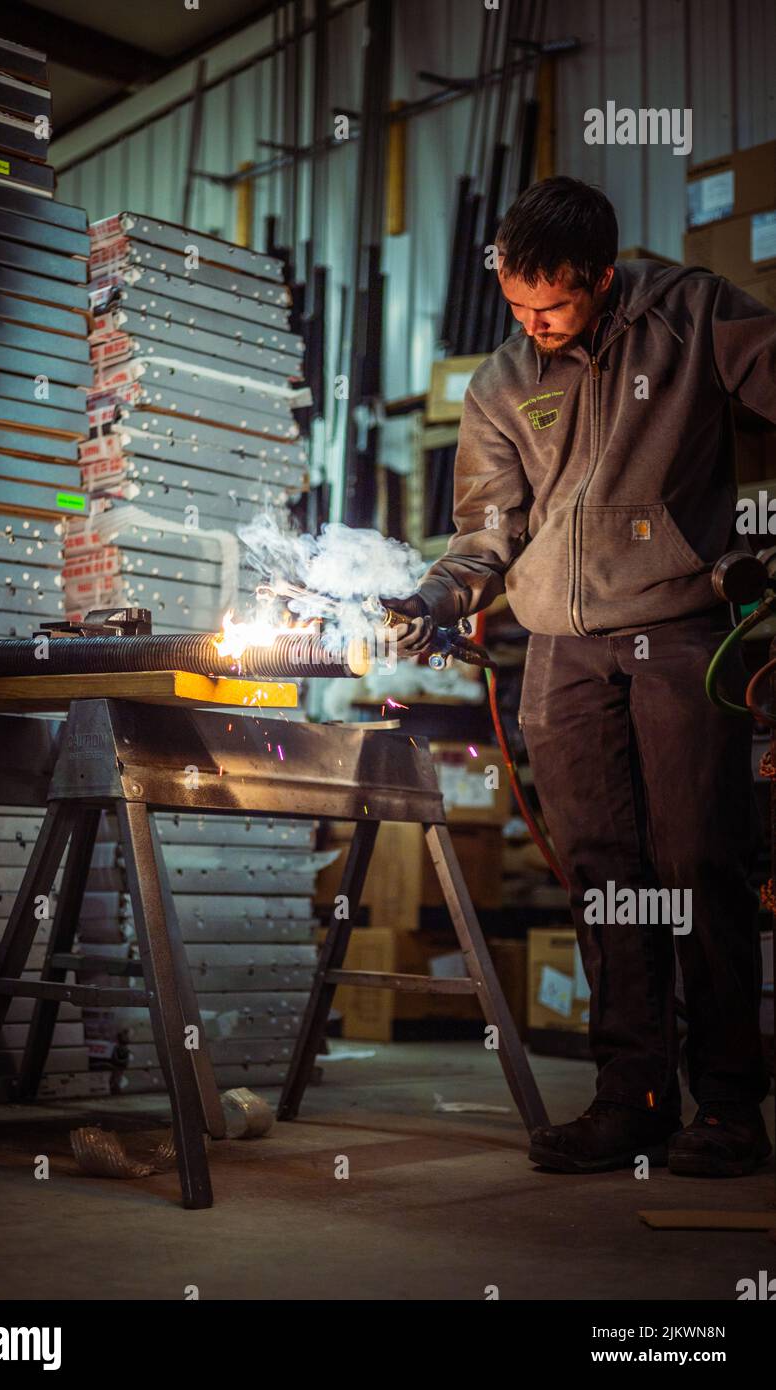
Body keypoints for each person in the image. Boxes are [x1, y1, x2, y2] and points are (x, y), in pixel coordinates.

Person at [382, 175, 774, 1177]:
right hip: (557, 655)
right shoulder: (501, 382)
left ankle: (728, 1105)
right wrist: (430, 601)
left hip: (680, 635)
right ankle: (630, 1095)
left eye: (551, 306)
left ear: (601, 278)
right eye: (517, 306)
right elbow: (482, 540)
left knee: (697, 867)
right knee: (606, 879)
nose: (534, 325)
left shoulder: (690, 313)